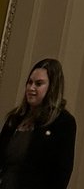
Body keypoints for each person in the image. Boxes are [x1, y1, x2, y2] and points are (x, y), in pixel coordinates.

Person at [0, 58, 76, 188]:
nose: (31, 88)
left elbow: (61, 175)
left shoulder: (63, 123)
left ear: (52, 87)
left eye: (38, 84)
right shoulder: (15, 118)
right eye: (29, 82)